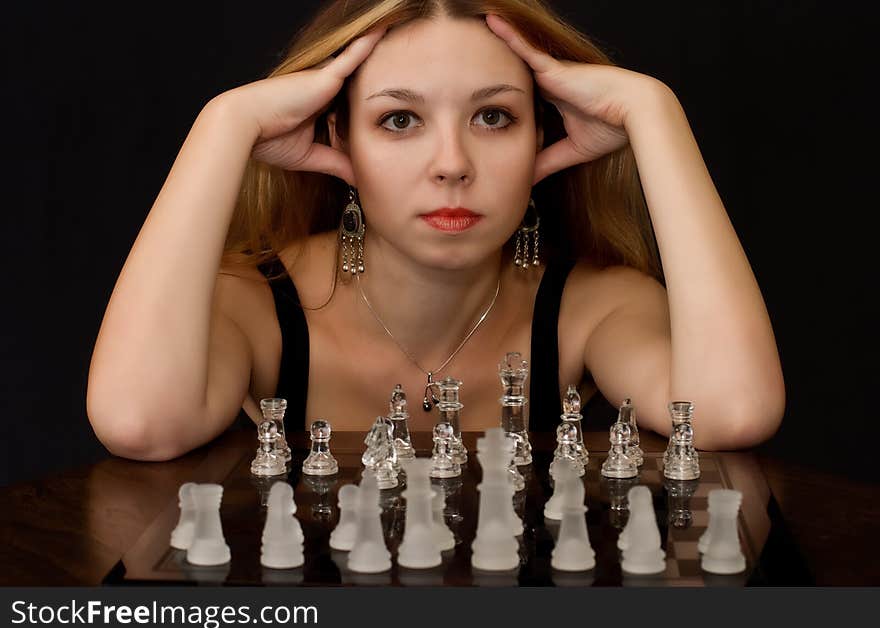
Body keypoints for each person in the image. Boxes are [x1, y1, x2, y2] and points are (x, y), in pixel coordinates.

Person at [86, 0, 785, 461]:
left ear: (544, 132)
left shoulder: (595, 302)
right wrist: (224, 125)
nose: (452, 165)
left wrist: (653, 113)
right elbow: (139, 421)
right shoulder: (254, 296)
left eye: (493, 117)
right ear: (337, 138)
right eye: (399, 120)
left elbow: (732, 411)